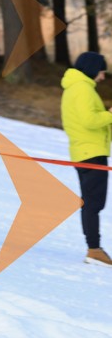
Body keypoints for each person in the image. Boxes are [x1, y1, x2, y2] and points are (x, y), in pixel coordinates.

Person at [61, 51, 112, 266]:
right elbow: (89, 120)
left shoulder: (76, 87)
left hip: (85, 152)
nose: (103, 76)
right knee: (93, 203)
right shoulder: (82, 89)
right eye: (101, 71)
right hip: (91, 153)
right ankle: (94, 249)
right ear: (92, 69)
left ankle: (94, 248)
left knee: (92, 202)